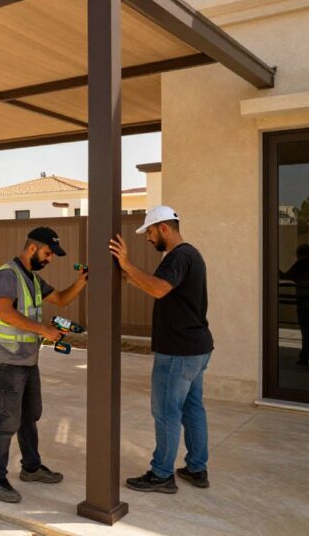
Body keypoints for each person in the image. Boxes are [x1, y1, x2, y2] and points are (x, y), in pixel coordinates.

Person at [109, 206, 213, 494]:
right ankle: (196, 469)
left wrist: (127, 264)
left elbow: (158, 289)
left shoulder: (178, 256)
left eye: (151, 232)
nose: (148, 238)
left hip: (179, 351)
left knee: (167, 411)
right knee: (193, 408)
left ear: (164, 228)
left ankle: (161, 475)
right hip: (197, 347)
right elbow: (160, 287)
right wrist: (126, 276)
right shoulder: (189, 255)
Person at [0, 226, 88, 504]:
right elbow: (5, 312)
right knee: (7, 419)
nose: (50, 258)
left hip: (27, 359)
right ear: (32, 248)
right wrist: (43, 330)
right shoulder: (8, 275)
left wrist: (82, 281)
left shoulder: (33, 279)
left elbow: (62, 299)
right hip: (6, 360)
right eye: (48, 252)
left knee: (30, 414)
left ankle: (31, 467)